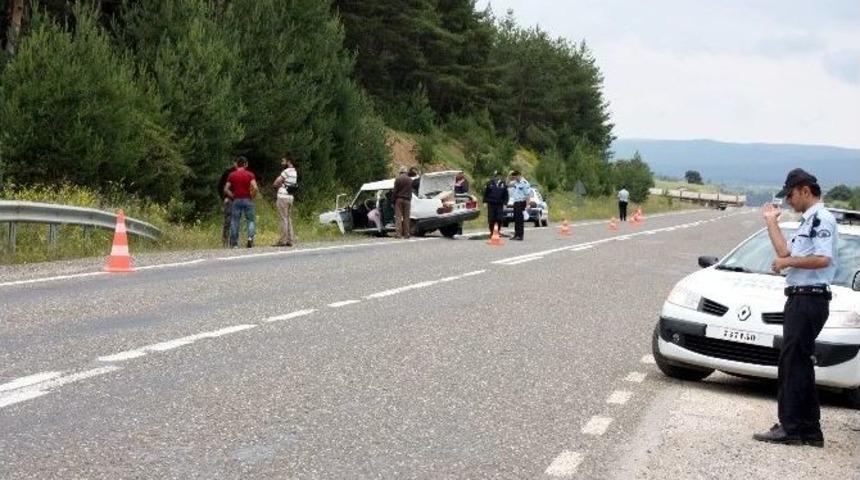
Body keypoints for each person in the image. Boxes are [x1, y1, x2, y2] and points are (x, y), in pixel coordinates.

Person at [754, 168, 838, 448]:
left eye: (790, 195)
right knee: (799, 364)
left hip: (809, 298)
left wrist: (788, 265)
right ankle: (808, 430)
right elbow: (784, 253)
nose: (788, 200)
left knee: (792, 363)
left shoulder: (821, 219)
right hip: (802, 297)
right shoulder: (807, 222)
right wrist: (771, 223)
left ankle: (791, 428)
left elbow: (823, 259)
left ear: (804, 190)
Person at [224, 156, 258, 248]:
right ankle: (250, 237)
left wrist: (232, 195)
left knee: (235, 221)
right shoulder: (250, 174)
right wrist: (252, 196)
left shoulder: (232, 175)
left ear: (237, 164)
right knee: (250, 220)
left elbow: (226, 189)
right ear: (245, 164)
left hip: (236, 200)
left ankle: (234, 243)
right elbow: (255, 187)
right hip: (247, 199)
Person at [272, 154, 298, 247]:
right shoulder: (294, 172)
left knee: (283, 218)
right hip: (290, 197)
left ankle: (283, 240)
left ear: (288, 161)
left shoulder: (286, 171)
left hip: (282, 197)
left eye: (283, 161)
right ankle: (290, 239)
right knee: (288, 218)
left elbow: (276, 182)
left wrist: (277, 185)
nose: (282, 163)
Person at [217, 158, 238, 246]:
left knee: (236, 220)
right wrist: (224, 197)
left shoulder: (242, 173)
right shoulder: (228, 172)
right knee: (228, 220)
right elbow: (220, 186)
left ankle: (233, 241)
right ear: (234, 163)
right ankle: (224, 241)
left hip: (238, 200)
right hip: (229, 199)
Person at [483, 171, 508, 235]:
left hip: (499, 204)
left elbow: (506, 194)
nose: (497, 177)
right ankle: (492, 232)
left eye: (499, 175)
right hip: (491, 203)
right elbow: (486, 193)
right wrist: (485, 202)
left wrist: (505, 203)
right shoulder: (489, 183)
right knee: (491, 218)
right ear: (494, 176)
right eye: (496, 176)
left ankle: (498, 230)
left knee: (499, 218)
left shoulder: (503, 184)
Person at [508, 170, 531, 241]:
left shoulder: (524, 183)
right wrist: (508, 176)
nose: (515, 177)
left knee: (520, 220)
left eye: (516, 175)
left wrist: (527, 205)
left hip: (521, 202)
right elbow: (507, 184)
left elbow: (528, 195)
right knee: (516, 219)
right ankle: (516, 234)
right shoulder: (515, 183)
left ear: (520, 175)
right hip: (516, 203)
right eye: (514, 176)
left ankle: (520, 235)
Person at [393, 167, 413, 239]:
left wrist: (393, 200)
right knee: (406, 218)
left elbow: (395, 191)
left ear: (400, 172)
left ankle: (398, 234)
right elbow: (411, 191)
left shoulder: (398, 179)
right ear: (406, 172)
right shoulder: (410, 180)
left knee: (398, 217)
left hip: (399, 200)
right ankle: (406, 234)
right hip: (407, 200)